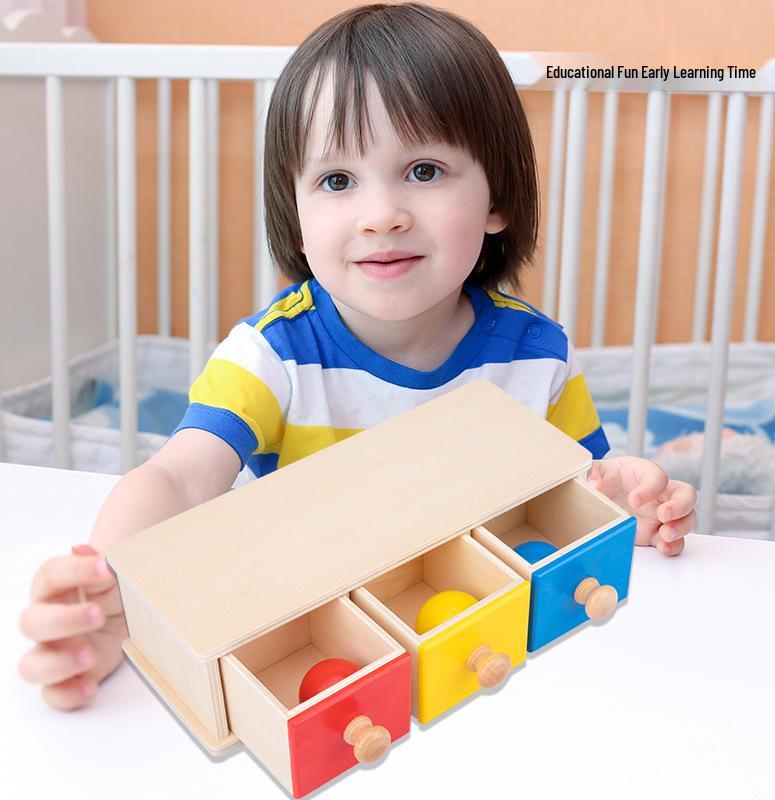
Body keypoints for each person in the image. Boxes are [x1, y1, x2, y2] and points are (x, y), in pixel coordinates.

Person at [17, 2, 697, 711]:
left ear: (497, 196)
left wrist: (634, 505)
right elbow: (179, 482)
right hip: (318, 654)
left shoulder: (536, 355)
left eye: (425, 169)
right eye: (337, 181)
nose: (382, 214)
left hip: (486, 653)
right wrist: (111, 595)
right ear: (298, 216)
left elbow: (582, 497)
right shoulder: (272, 356)